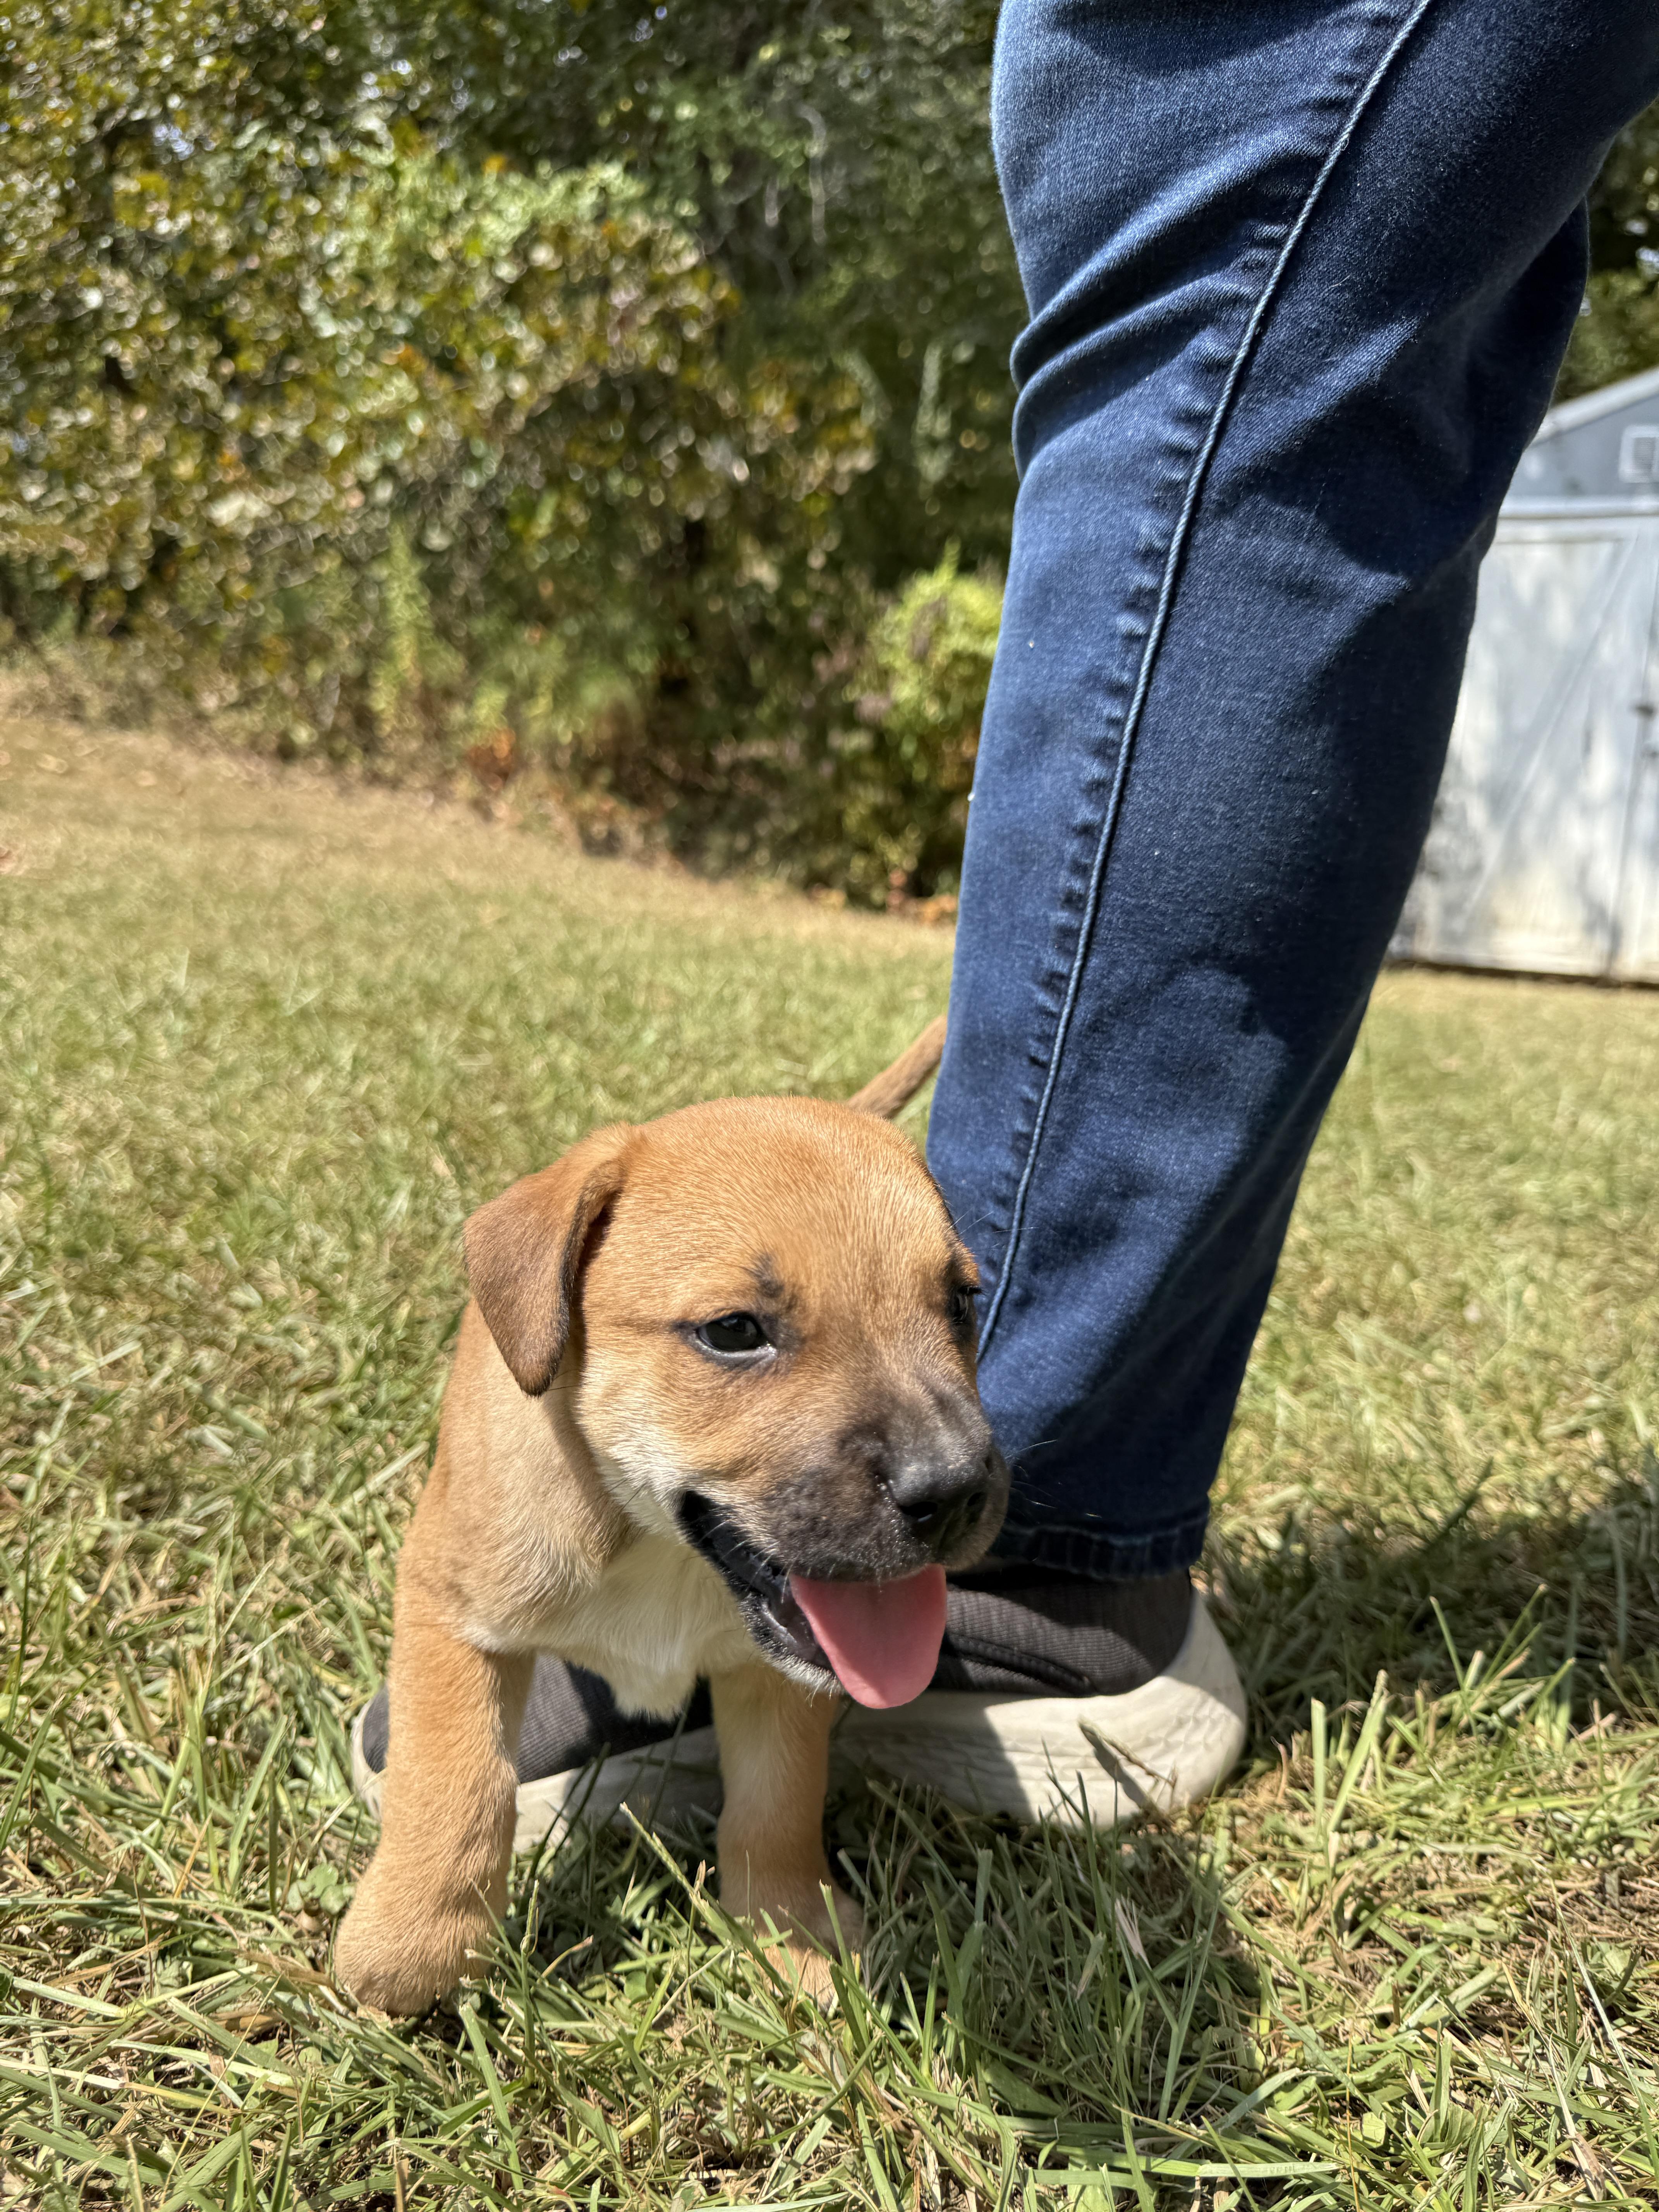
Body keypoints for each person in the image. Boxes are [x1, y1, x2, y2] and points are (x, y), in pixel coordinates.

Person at [357, 0, 1659, 1831]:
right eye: (741, 1336)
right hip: (563, 1523)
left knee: (1252, 271)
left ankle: (1061, 1581)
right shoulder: (545, 1345)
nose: (955, 1446)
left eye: (951, 1319)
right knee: (1303, 331)